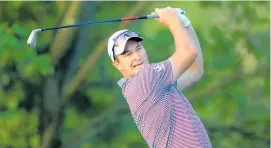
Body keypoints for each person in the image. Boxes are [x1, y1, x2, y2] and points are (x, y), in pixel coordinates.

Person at [107, 7, 212, 148]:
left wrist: (185, 24)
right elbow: (188, 53)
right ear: (117, 64)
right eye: (127, 54)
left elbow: (195, 71)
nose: (137, 56)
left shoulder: (155, 86)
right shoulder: (145, 80)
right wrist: (173, 21)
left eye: (138, 48)